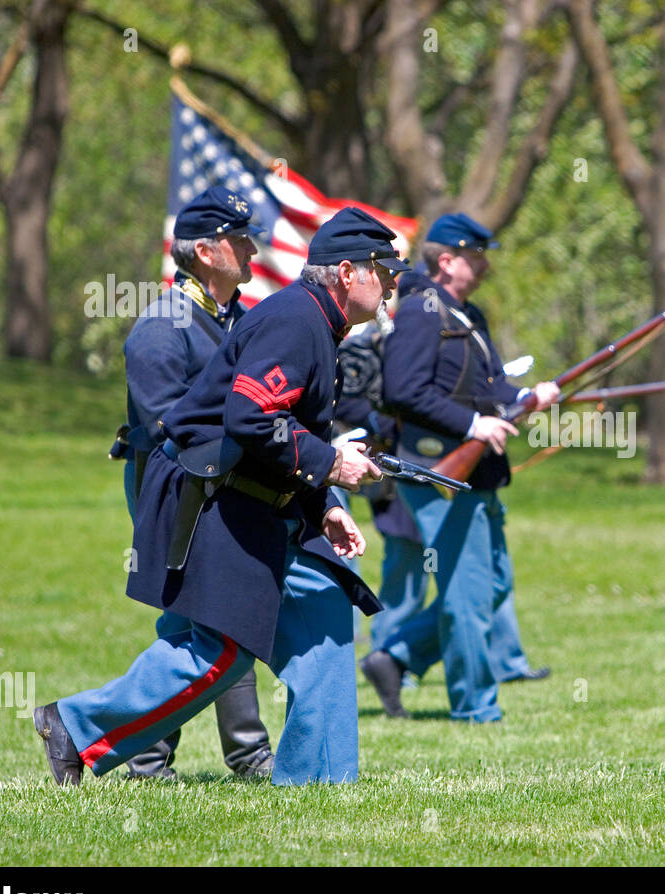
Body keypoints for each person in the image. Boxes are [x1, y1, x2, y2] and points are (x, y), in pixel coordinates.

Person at [34, 207, 403, 786]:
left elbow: (286, 430)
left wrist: (325, 503)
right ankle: (75, 727)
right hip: (212, 496)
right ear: (347, 272)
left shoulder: (319, 323)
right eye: (386, 269)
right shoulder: (297, 323)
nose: (394, 283)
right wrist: (332, 463)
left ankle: (320, 780)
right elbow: (252, 416)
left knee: (326, 610)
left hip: (264, 499)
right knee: (223, 652)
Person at [361, 213, 558, 722]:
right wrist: (472, 425)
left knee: (491, 584)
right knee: (467, 593)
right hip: (437, 468)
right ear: (447, 260)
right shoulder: (422, 311)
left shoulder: (464, 312)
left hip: (475, 471)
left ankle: (396, 656)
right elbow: (403, 390)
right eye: (475, 255)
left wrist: (527, 396)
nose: (484, 263)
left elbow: (489, 383)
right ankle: (476, 707)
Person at [110, 185, 273, 780]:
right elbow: (167, 426)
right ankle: (180, 757)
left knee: (212, 616)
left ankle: (162, 757)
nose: (253, 249)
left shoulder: (241, 321)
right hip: (176, 487)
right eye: (240, 239)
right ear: (206, 251)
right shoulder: (162, 325)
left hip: (230, 485)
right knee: (198, 617)